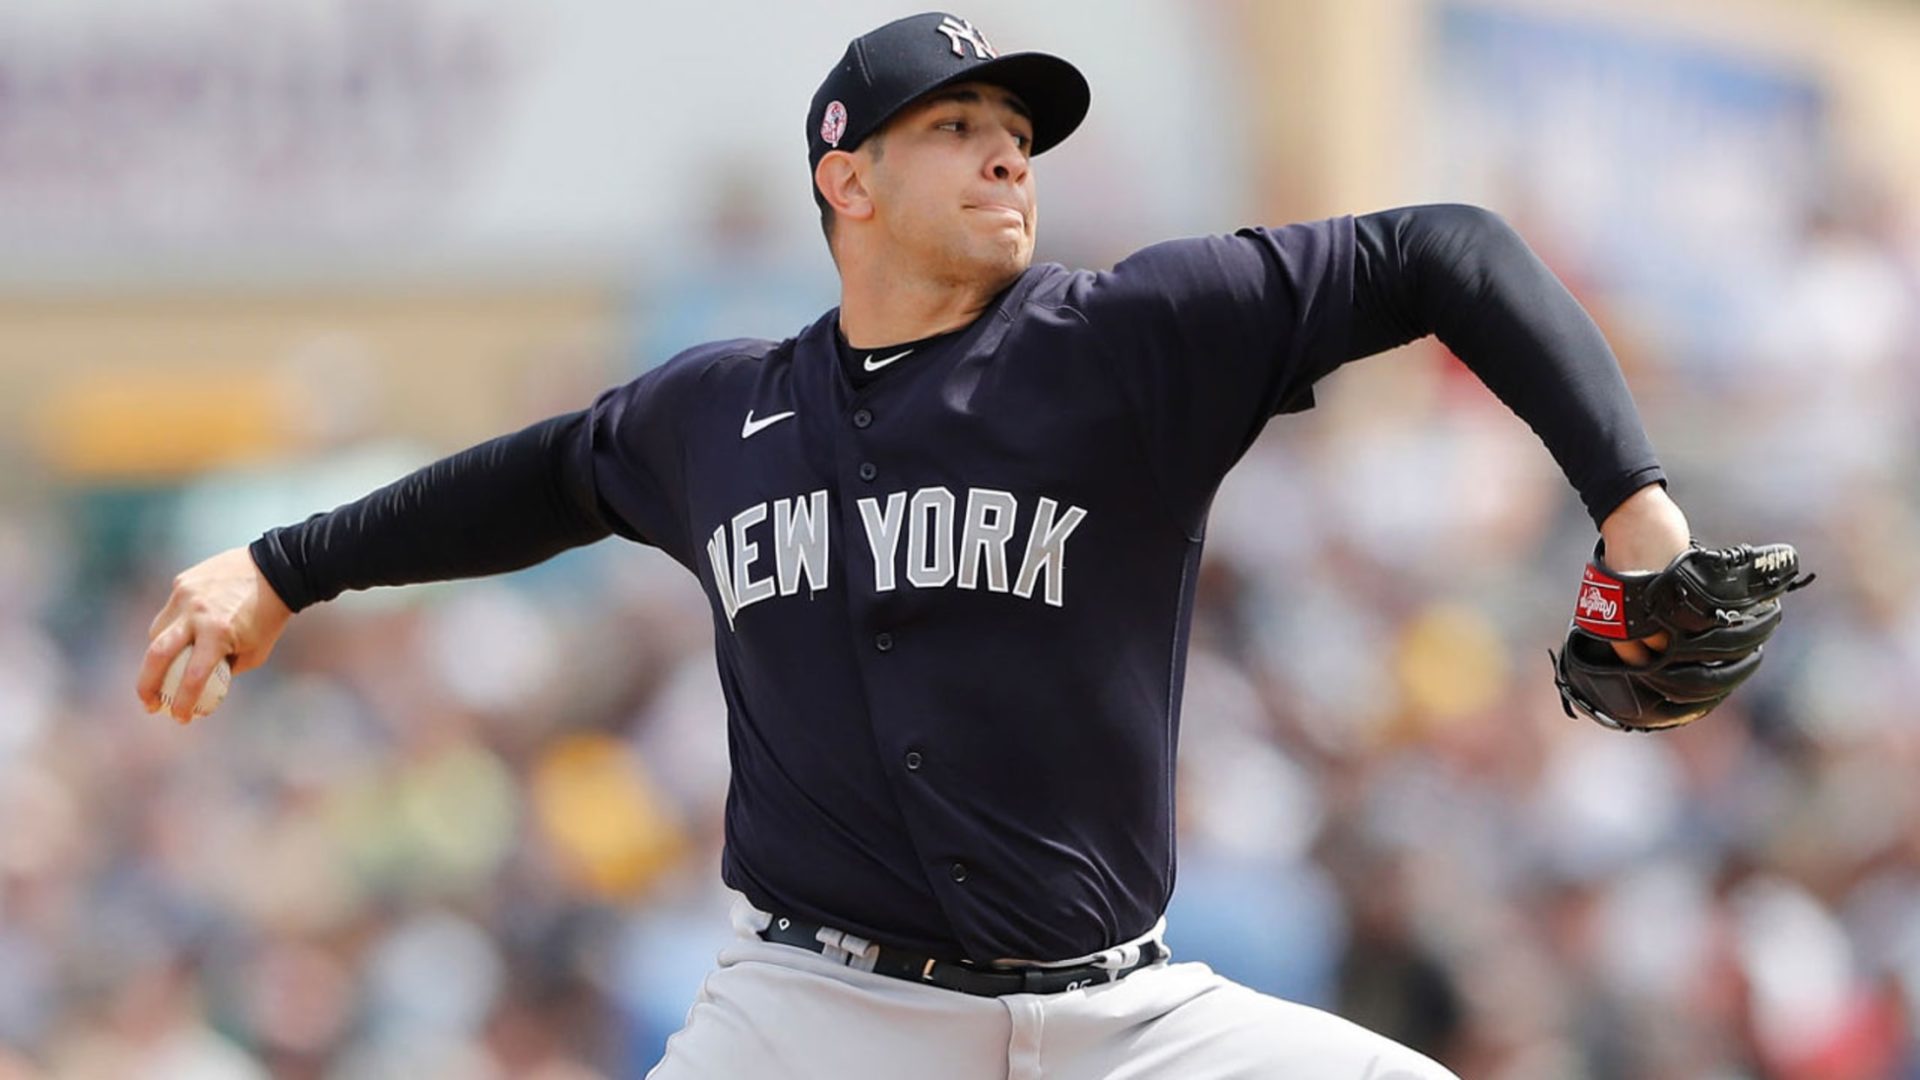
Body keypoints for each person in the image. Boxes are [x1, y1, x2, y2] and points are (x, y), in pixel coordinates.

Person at [140, 12, 1697, 1078]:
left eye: (1017, 132)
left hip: (1124, 1024)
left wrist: (1635, 504)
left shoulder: (1125, 343)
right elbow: (537, 477)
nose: (1008, 154)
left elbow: (1443, 251)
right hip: (815, 1018)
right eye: (957, 126)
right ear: (849, 177)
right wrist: (282, 568)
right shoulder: (717, 414)